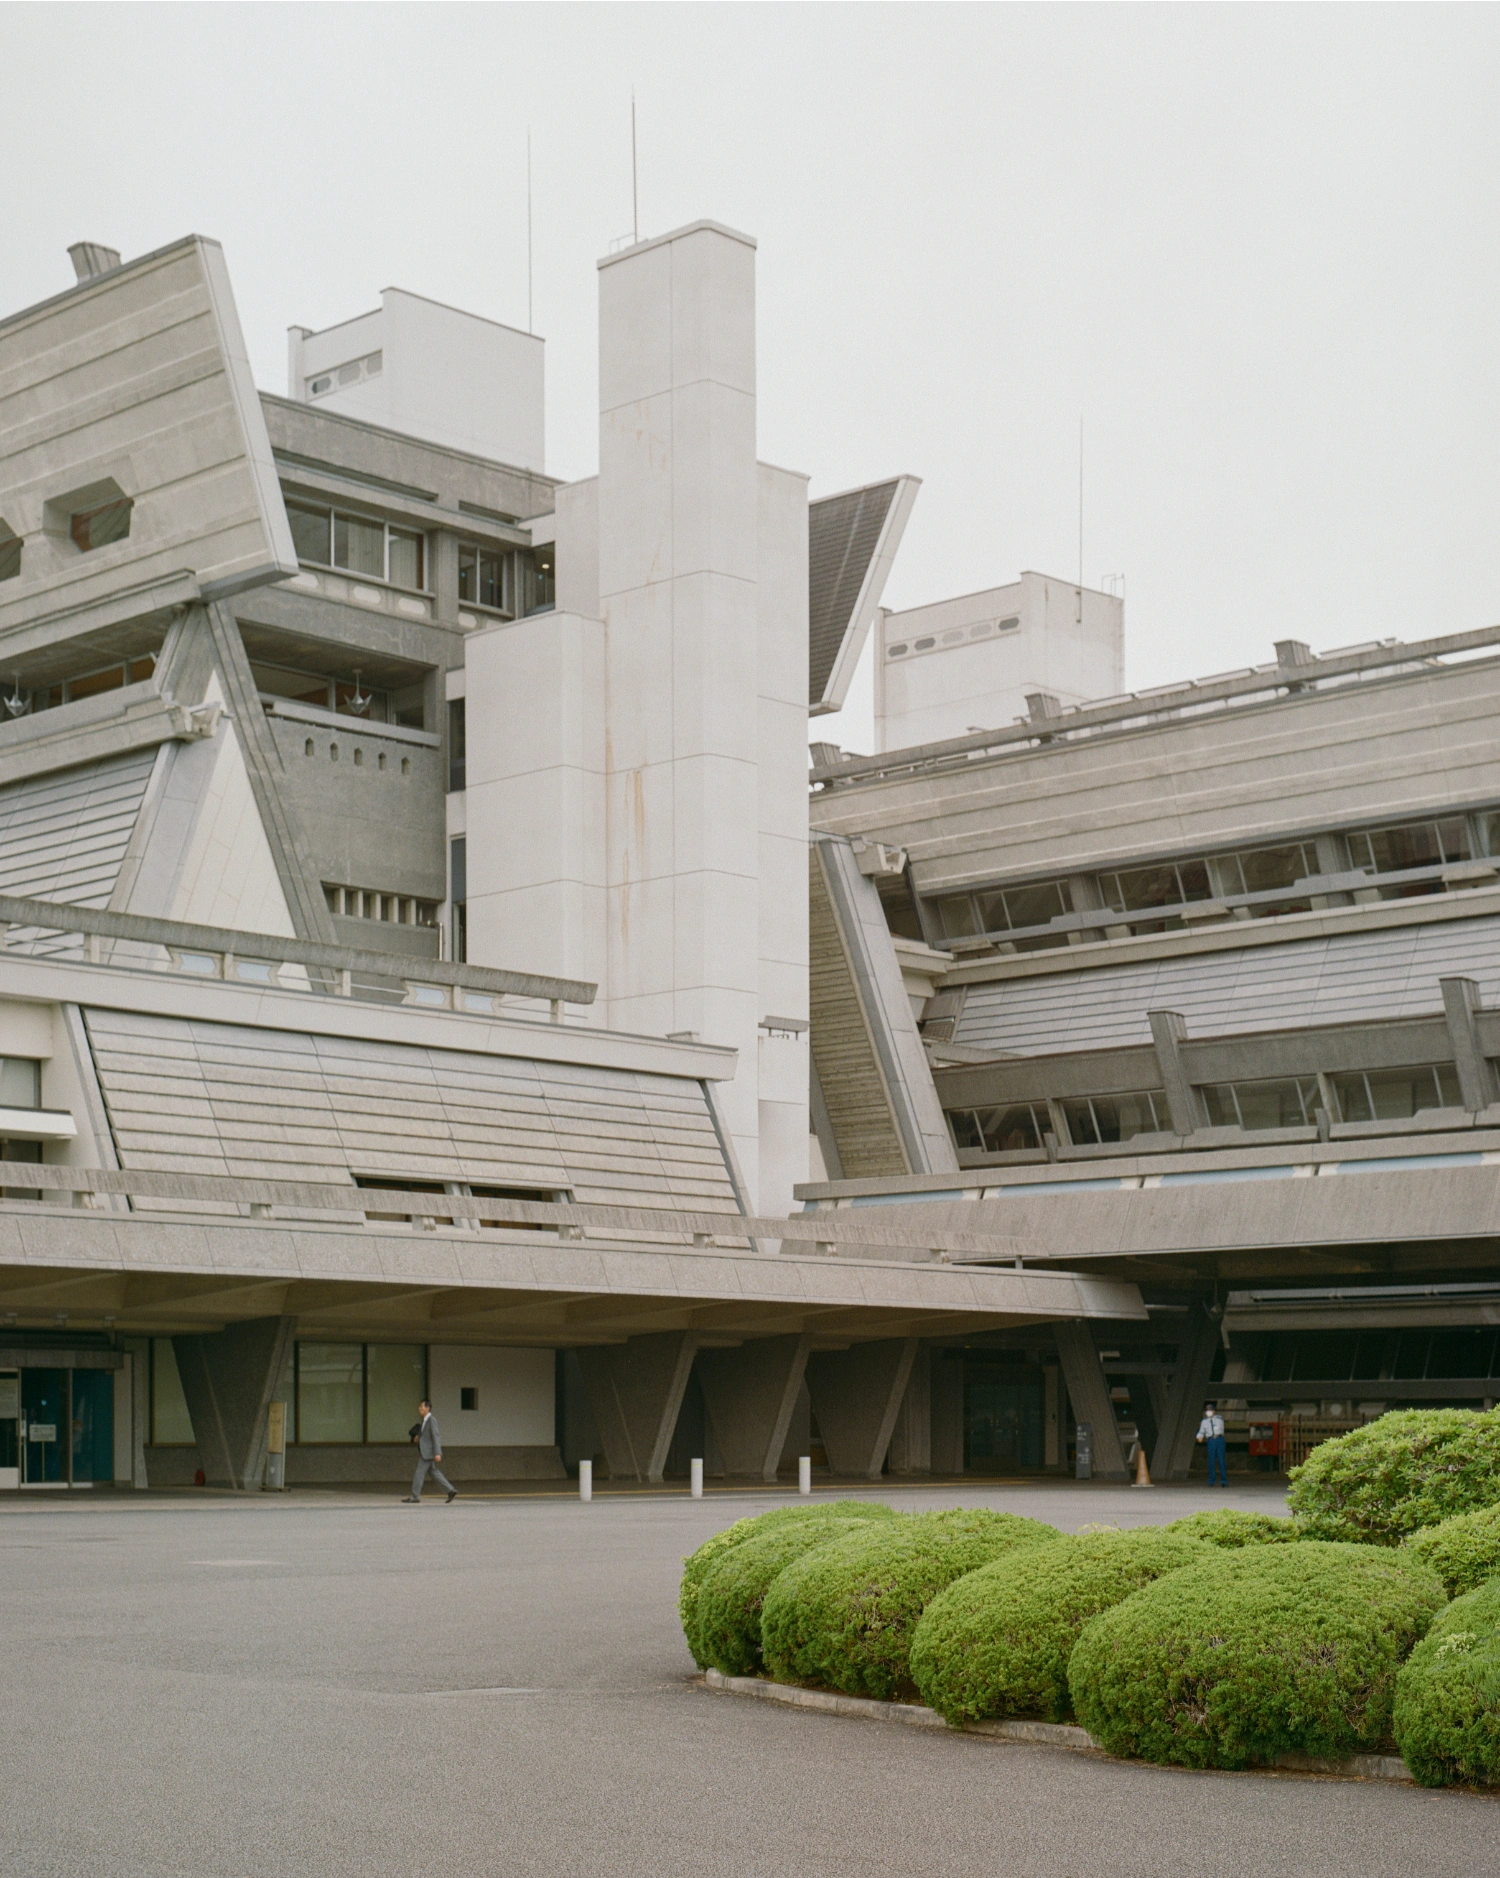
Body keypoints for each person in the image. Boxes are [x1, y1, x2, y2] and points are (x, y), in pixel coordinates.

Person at [403, 1399, 457, 1504]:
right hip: (426, 1452)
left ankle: (415, 1497)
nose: (420, 1408)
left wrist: (438, 1453)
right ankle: (450, 1490)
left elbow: (435, 1436)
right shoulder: (425, 1420)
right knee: (433, 1472)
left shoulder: (431, 1420)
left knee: (419, 1474)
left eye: (422, 1406)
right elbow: (425, 1436)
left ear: (428, 1408)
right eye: (420, 1407)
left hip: (428, 1453)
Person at [1196, 1402, 1227, 1487]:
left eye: (1210, 1410)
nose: (1208, 1412)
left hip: (1219, 1439)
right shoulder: (1204, 1422)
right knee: (1211, 1460)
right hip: (1211, 1440)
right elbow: (1201, 1431)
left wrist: (1211, 1420)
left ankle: (1224, 1481)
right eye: (1207, 1410)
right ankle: (1211, 1480)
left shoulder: (1218, 1419)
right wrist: (1200, 1436)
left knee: (1221, 1460)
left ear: (1214, 1411)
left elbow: (1218, 1427)